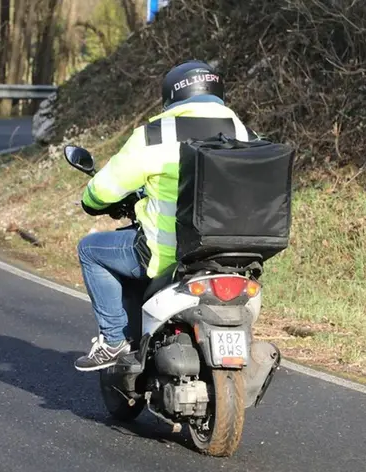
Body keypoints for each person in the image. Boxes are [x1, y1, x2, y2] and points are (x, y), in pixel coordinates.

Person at [74, 60, 259, 371]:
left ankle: (114, 340)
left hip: (168, 255)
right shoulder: (246, 133)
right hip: (236, 256)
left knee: (90, 250)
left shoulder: (155, 135)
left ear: (173, 96)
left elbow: (102, 192)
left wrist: (91, 199)